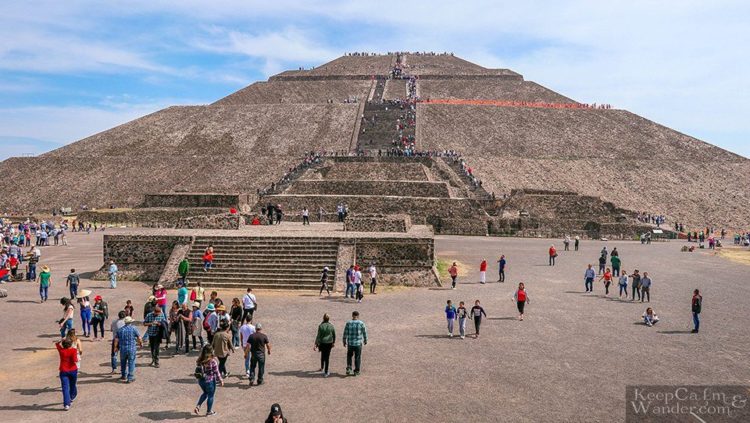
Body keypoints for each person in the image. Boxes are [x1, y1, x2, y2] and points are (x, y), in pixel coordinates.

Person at [194, 345, 224, 417]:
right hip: (210, 380)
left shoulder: (200, 360)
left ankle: (198, 406)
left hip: (201, 380)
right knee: (210, 395)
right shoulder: (212, 361)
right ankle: (209, 411)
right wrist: (221, 380)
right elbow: (217, 372)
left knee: (205, 393)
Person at [114, 316, 142, 383]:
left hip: (123, 349)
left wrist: (115, 348)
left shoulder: (120, 330)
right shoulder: (134, 329)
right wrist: (140, 343)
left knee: (123, 362)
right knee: (131, 362)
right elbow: (139, 337)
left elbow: (116, 340)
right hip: (131, 348)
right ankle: (130, 377)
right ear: (131, 322)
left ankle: (123, 375)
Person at [56, 338, 79, 410]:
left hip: (63, 370)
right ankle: (72, 396)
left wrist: (61, 340)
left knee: (65, 388)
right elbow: (75, 360)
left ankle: (66, 404)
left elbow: (57, 344)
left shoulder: (61, 350)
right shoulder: (73, 350)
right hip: (73, 370)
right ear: (71, 344)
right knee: (73, 385)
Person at [343, 311, 367, 376]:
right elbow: (364, 332)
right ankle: (356, 370)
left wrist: (344, 340)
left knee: (349, 356)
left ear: (352, 315)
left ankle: (349, 368)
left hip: (350, 343)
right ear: (358, 316)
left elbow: (345, 332)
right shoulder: (361, 323)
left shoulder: (348, 323)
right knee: (357, 357)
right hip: (358, 343)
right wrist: (365, 340)